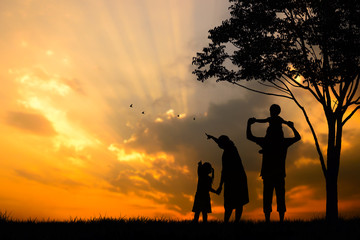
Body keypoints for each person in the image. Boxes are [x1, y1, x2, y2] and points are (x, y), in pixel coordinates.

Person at [247, 116, 301, 223]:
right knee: (280, 197)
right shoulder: (283, 142)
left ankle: (268, 220)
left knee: (267, 197)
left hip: (268, 174)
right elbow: (298, 137)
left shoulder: (266, 142)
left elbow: (249, 136)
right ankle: (280, 220)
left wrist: (249, 124)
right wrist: (292, 127)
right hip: (279, 174)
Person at [206, 133, 249, 223]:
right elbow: (219, 142)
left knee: (232, 203)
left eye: (220, 144)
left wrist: (220, 185)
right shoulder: (231, 148)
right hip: (238, 179)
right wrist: (212, 137)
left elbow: (224, 171)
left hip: (234, 180)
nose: (219, 145)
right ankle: (234, 222)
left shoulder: (228, 152)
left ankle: (227, 222)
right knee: (238, 203)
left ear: (224, 143)